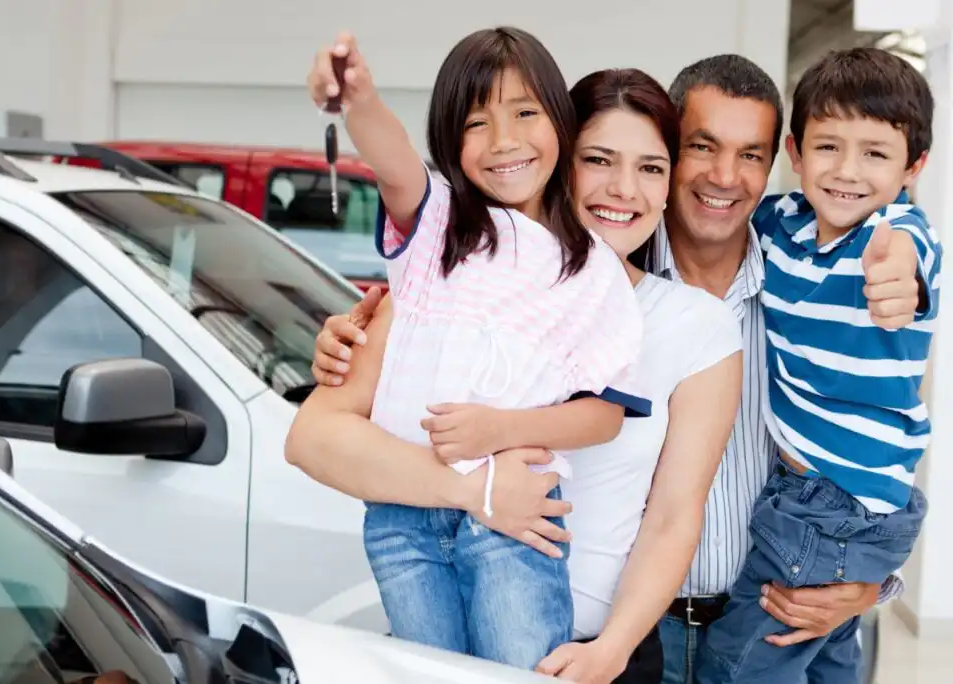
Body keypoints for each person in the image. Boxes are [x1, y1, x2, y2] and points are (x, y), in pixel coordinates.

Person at [307, 53, 929, 684]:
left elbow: (877, 420)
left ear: (775, 165)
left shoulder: (802, 288)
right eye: (701, 147)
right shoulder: (484, 282)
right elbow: (325, 433)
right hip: (602, 633)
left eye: (750, 156)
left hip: (750, 618)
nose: (723, 175)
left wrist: (866, 579)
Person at [290, 63, 745, 683]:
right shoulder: (454, 282)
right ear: (559, 156)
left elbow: (673, 516)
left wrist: (611, 650)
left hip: (592, 657)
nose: (624, 190)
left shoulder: (696, 326)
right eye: (599, 160)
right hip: (448, 637)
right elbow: (313, 438)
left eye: (650, 168)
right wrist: (473, 492)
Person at [696, 47, 940, 684]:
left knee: (737, 666)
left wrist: (899, 280)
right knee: (830, 662)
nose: (848, 172)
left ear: (914, 167)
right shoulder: (781, 224)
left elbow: (910, 255)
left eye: (876, 154)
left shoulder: (895, 232)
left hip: (833, 505)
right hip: (819, 502)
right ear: (795, 153)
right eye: (829, 148)